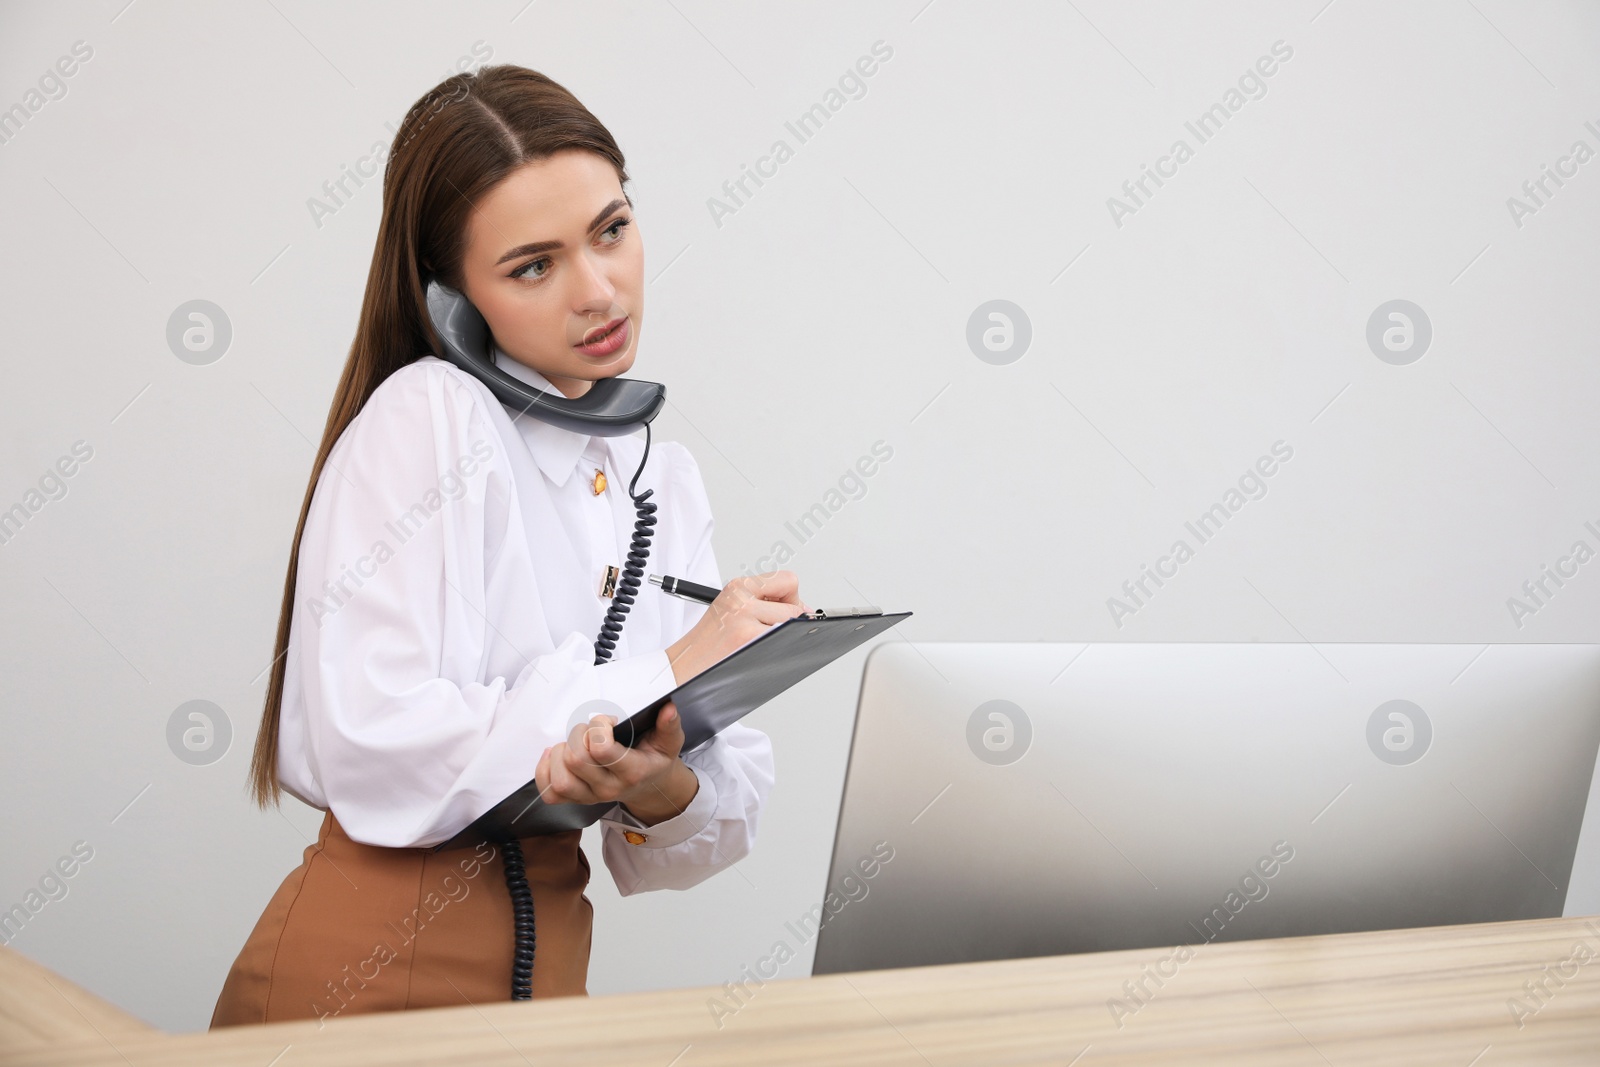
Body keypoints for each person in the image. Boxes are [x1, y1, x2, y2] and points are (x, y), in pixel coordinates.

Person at [210, 64, 807, 1028]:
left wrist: (661, 785)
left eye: (612, 230)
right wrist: (671, 667)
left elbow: (707, 832)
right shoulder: (429, 417)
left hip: (548, 989)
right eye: (534, 265)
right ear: (453, 303)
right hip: (368, 985)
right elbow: (375, 741)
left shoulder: (661, 475)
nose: (600, 289)